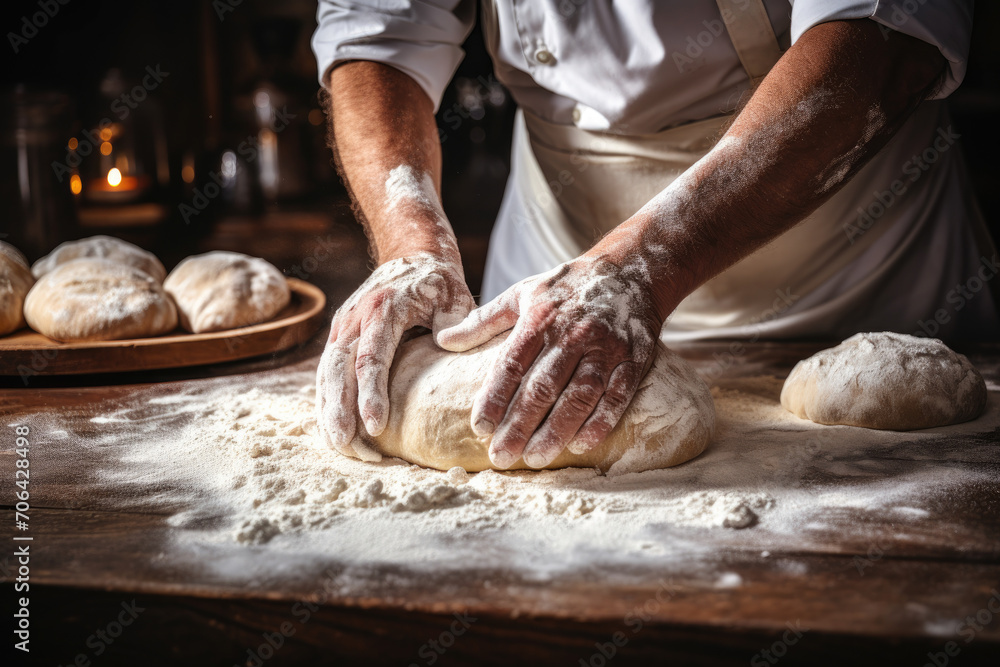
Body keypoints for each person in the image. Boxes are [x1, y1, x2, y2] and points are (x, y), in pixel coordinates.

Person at [311, 0, 999, 470]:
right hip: (553, 263)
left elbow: (885, 35)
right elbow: (377, 36)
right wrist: (412, 240)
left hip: (844, 257)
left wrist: (640, 268)